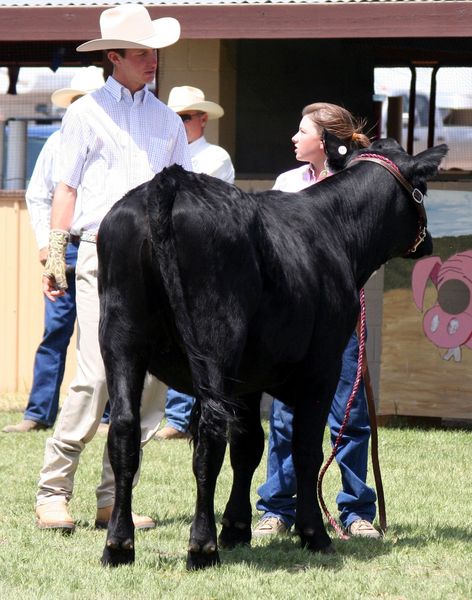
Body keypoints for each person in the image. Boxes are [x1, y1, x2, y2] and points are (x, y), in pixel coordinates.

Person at [35, 4, 191, 533]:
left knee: (150, 381)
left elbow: (181, 192)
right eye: (143, 52)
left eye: (154, 52)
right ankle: (53, 491)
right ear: (114, 57)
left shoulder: (168, 120)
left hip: (159, 261)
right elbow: (66, 187)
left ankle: (112, 497)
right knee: (98, 374)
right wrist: (56, 250)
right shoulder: (84, 114)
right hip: (100, 254)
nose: (153, 61)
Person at [253, 102, 381, 539]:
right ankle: (276, 508)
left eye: (302, 130)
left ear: (324, 141)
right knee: (286, 413)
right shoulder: (287, 184)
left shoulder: (354, 185)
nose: (293, 137)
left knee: (350, 412)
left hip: (341, 315)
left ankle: (357, 511)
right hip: (294, 317)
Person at [2, 66, 109, 434]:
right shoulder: (56, 142)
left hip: (103, 247)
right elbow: (38, 194)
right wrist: (48, 245)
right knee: (56, 331)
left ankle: (107, 416)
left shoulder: (112, 141)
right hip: (70, 247)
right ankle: (38, 413)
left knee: (105, 334)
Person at [155, 85, 235, 440]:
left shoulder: (215, 157)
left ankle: (179, 416)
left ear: (202, 119)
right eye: (175, 116)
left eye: (186, 116)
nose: (180, 122)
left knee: (194, 335)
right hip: (164, 252)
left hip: (202, 260)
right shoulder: (162, 151)